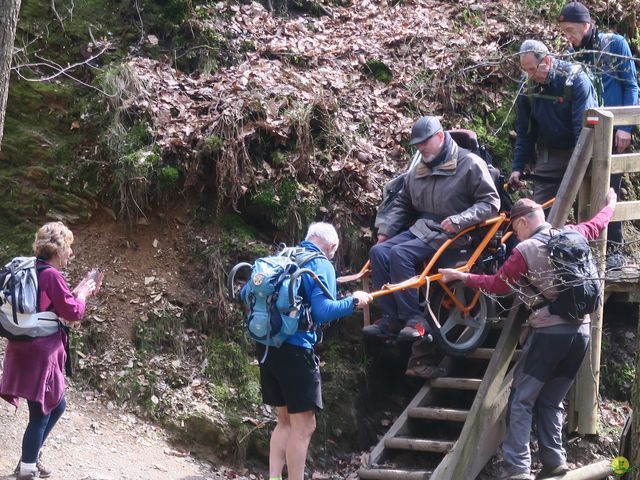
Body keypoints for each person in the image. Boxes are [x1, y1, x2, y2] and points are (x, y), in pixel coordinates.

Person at [439, 188, 617, 480]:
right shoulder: (572, 234)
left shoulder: (526, 250)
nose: (515, 236)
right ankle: (554, 461)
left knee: (521, 398)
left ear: (522, 222)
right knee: (550, 400)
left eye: (514, 228)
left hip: (550, 335)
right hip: (582, 332)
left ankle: (518, 470)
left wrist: (461, 277)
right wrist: (610, 204)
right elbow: (598, 223)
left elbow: (498, 284)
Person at [250, 222, 372, 480]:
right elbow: (322, 311)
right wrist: (354, 301)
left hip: (267, 347)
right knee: (305, 426)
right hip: (296, 352)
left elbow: (247, 293)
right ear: (332, 246)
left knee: (284, 421)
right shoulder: (321, 264)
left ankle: (274, 478)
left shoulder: (284, 256)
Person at [365, 115, 500, 339]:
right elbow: (401, 203)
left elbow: (490, 203)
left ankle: (415, 320)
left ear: (439, 136)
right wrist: (385, 231)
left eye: (424, 142)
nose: (420, 148)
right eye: (417, 144)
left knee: (400, 254)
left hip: (456, 232)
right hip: (423, 228)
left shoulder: (470, 163)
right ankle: (390, 320)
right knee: (378, 252)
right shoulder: (418, 170)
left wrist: (460, 219)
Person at [0, 222, 103, 480]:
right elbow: (73, 312)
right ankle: (26, 470)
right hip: (41, 353)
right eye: (69, 247)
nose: (72, 253)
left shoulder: (30, 269)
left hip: (21, 347)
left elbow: (52, 304)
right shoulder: (51, 275)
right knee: (42, 412)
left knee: (56, 407)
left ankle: (30, 460)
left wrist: (77, 291)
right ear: (58, 250)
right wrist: (84, 295)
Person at [558, 1, 639, 269]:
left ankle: (613, 251)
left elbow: (631, 86)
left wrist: (626, 128)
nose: (568, 36)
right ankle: (585, 250)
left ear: (587, 25)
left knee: (609, 189)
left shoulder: (613, 45)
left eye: (571, 30)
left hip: (615, 130)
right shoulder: (573, 55)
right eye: (564, 31)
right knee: (583, 191)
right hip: (585, 133)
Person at [508, 39, 598, 203]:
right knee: (540, 211)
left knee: (585, 209)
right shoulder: (527, 86)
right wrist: (517, 168)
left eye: (532, 69)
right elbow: (525, 132)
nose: (529, 75)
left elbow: (583, 129)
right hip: (550, 154)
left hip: (579, 151)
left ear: (547, 61)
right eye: (525, 70)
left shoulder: (576, 81)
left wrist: (580, 164)